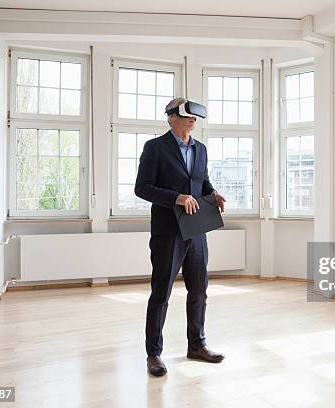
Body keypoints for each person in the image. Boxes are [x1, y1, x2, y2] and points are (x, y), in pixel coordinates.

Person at [134, 97, 227, 377]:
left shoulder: (201, 149)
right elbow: (142, 188)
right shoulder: (155, 148)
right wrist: (177, 197)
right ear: (171, 117)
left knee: (199, 290)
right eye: (187, 116)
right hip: (167, 233)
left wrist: (213, 194)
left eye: (195, 118)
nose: (193, 121)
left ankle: (196, 346)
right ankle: (154, 354)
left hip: (196, 230)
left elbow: (202, 182)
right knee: (161, 292)